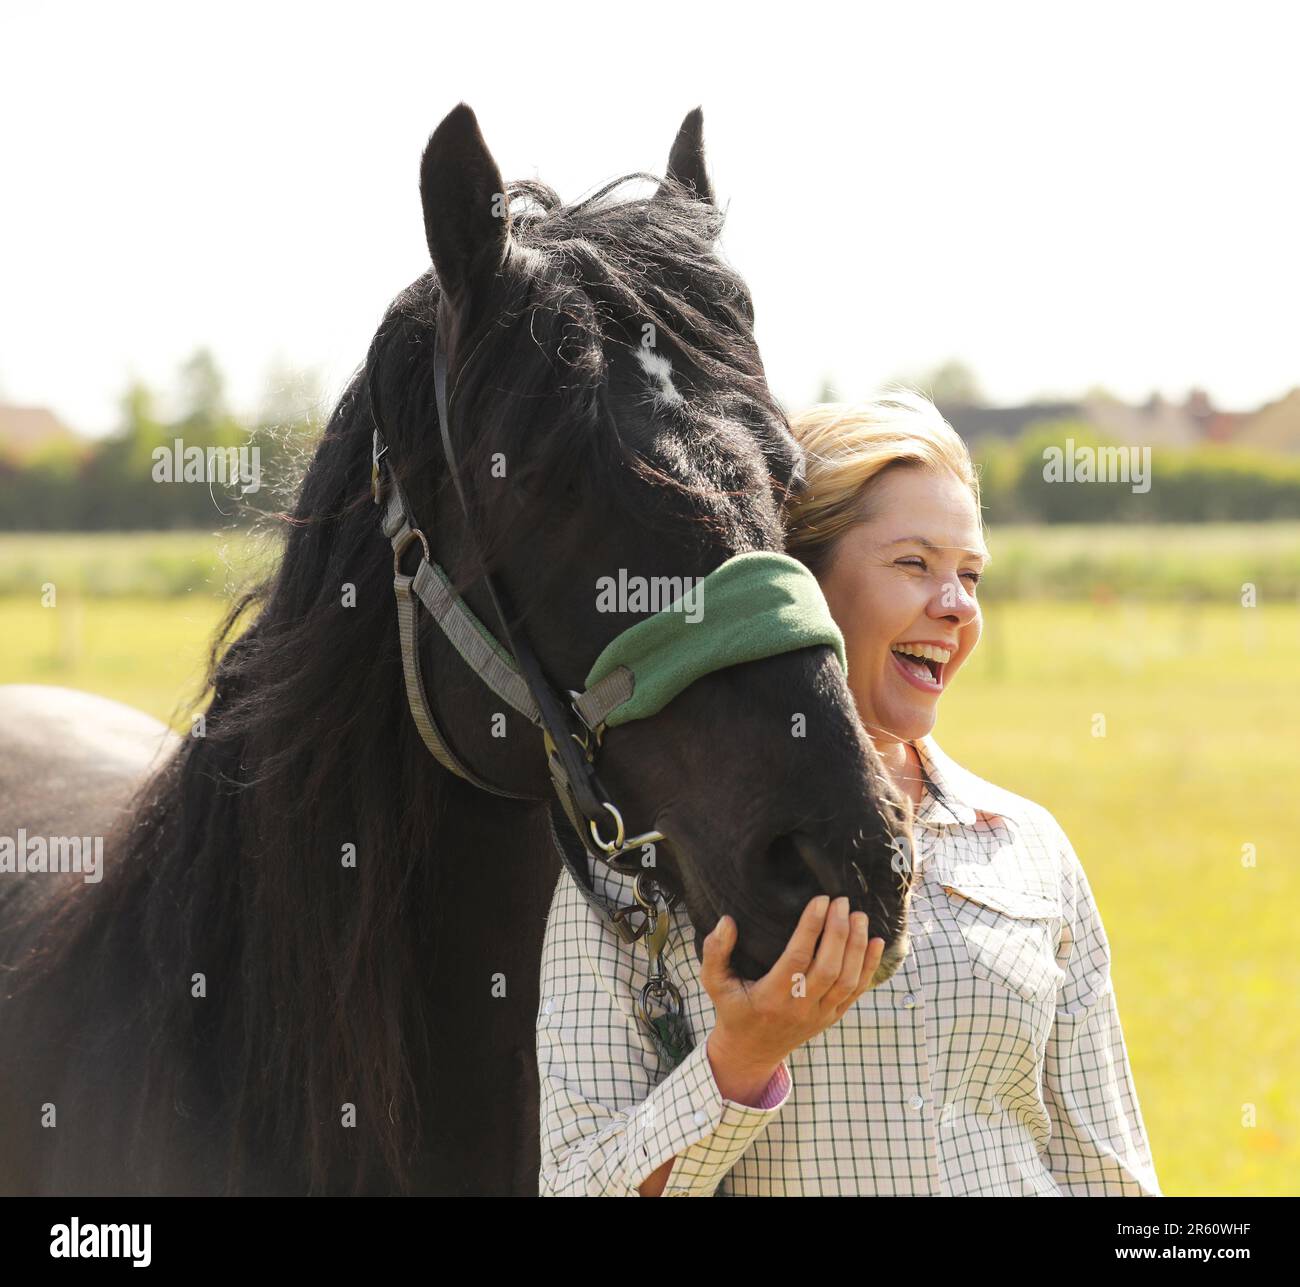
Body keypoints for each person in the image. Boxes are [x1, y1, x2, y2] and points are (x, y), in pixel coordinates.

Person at [535, 392, 1162, 1197]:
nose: (957, 605)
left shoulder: (1027, 845)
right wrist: (742, 1058)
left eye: (970, 574)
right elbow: (579, 1186)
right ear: (797, 585)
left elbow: (1108, 1175)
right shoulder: (636, 868)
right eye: (915, 563)